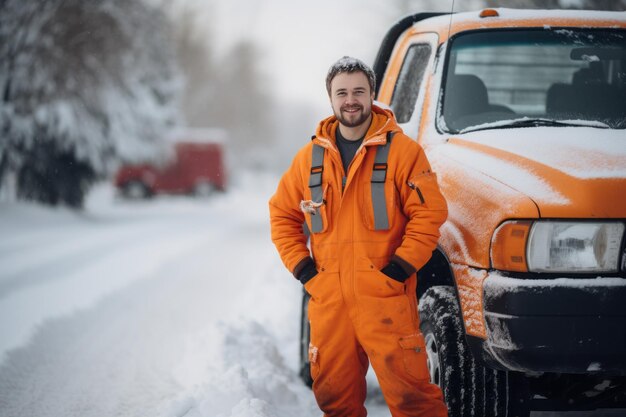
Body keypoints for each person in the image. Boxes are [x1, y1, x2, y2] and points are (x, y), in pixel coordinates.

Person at [269, 56, 449, 417]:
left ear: (371, 95)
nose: (351, 100)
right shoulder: (308, 160)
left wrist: (398, 270)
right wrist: (305, 271)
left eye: (358, 91)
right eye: (342, 93)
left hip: (385, 298)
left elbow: (429, 215)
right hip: (330, 302)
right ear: (331, 99)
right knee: (336, 404)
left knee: (414, 400)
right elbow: (282, 215)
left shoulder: (404, 153)